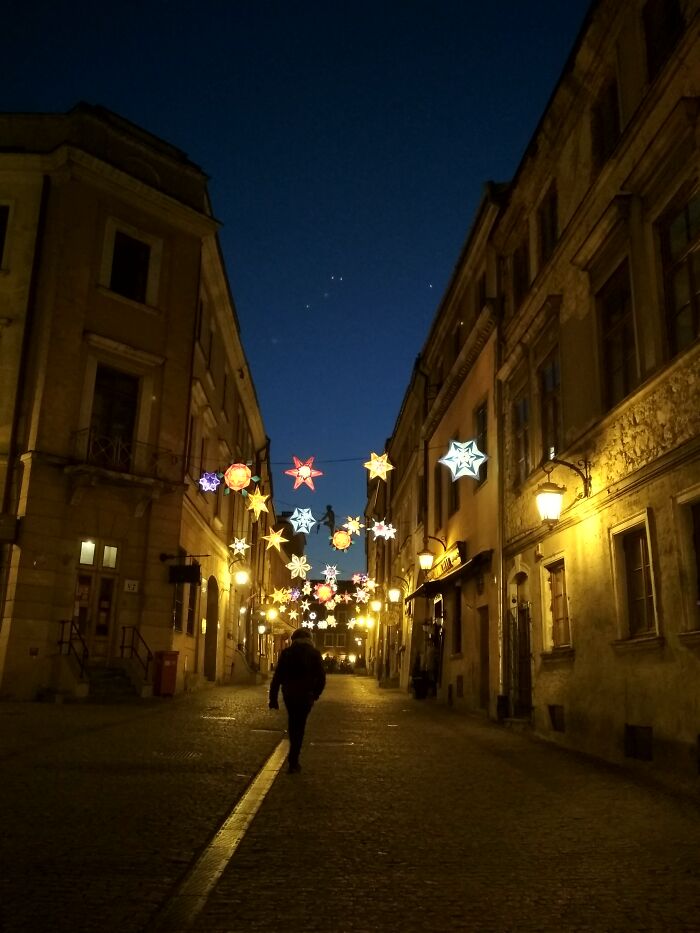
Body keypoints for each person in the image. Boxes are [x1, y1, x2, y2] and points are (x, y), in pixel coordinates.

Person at [269, 629, 326, 773]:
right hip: (306, 694)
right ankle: (294, 760)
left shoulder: (287, 653)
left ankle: (293, 758)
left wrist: (273, 698)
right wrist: (315, 694)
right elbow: (321, 677)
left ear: (294, 639)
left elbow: (277, 677)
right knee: (300, 725)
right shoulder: (314, 653)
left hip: (289, 693)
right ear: (309, 639)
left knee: (293, 721)